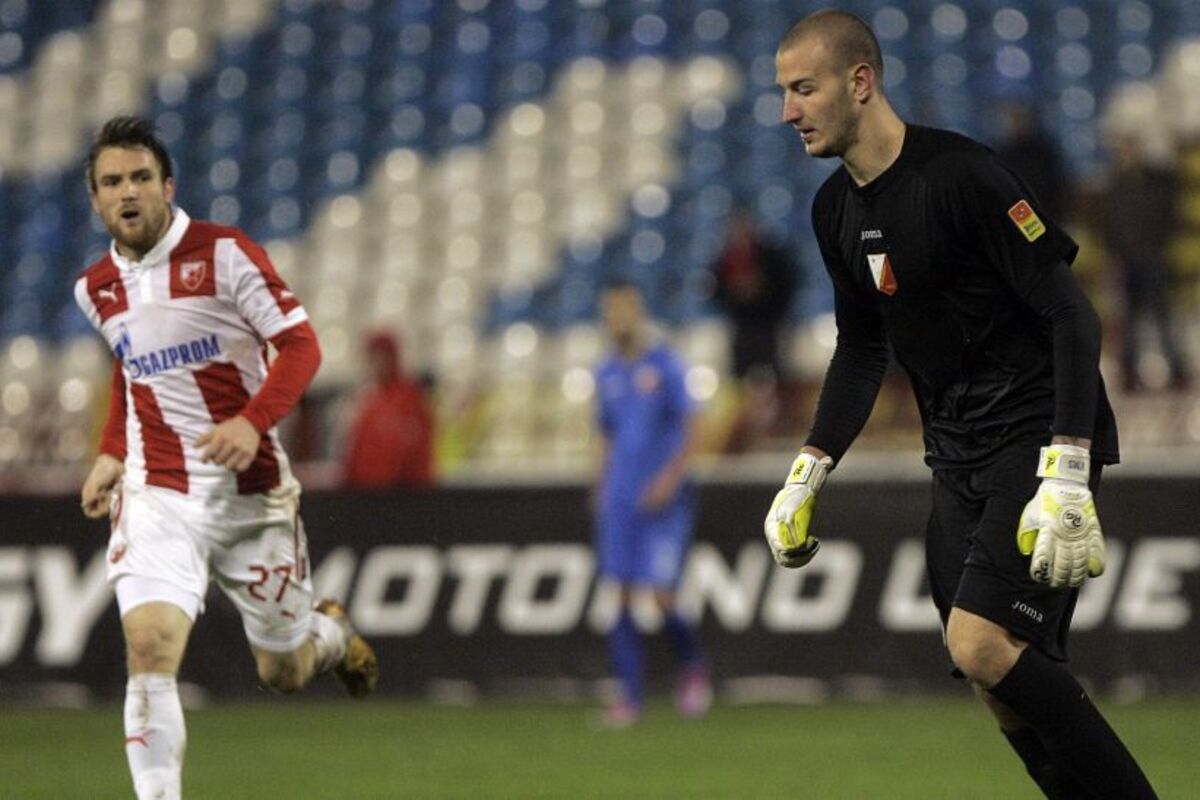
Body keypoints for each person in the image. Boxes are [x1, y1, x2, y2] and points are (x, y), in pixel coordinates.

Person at [765, 11, 1156, 799]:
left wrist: (1068, 466)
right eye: (784, 92)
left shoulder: (965, 176)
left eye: (803, 89)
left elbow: (1072, 313)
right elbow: (862, 350)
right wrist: (807, 472)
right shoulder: (834, 211)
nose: (787, 111)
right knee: (999, 688)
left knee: (980, 644)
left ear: (860, 82)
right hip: (955, 458)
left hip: (1037, 438)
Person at [75, 116, 378, 800]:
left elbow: (301, 347)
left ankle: (330, 635)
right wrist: (113, 451)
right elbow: (132, 368)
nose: (128, 192)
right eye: (113, 182)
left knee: (284, 672)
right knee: (149, 647)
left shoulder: (225, 254)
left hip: (250, 495)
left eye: (142, 178)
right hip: (158, 492)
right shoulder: (94, 289)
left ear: (168, 186)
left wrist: (251, 420)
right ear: (95, 199)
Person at [592, 279, 711, 726]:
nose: (617, 319)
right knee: (620, 592)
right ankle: (629, 696)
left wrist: (670, 478)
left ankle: (693, 668)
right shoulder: (605, 372)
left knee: (661, 595)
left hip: (664, 502)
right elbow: (604, 433)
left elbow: (693, 424)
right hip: (621, 499)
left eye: (624, 309)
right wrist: (600, 485)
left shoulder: (665, 365)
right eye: (610, 310)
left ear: (638, 312)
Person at [1097, 133, 1190, 392]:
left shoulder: (1156, 181)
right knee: (1128, 320)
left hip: (1152, 257)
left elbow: (1167, 214)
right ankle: (1128, 374)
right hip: (1126, 259)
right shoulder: (1115, 184)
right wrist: (1113, 254)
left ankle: (1177, 372)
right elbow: (1108, 224)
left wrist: (1158, 243)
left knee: (1162, 317)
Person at [341, 329, 436, 488]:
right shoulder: (367, 400)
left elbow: (415, 449)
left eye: (382, 357)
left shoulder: (409, 398)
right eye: (372, 358)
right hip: (367, 491)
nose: (377, 364)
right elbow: (357, 450)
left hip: (400, 491)